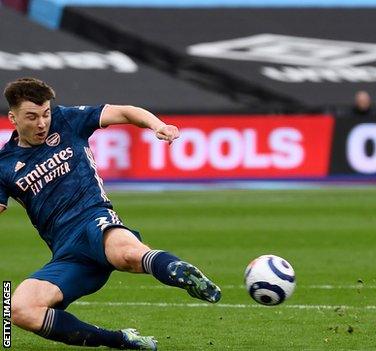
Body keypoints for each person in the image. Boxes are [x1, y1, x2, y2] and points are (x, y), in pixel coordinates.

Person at [0, 77, 222, 350]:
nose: (42, 123)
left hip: (95, 221)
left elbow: (126, 112)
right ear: (13, 117)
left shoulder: (67, 120)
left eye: (45, 113)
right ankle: (121, 340)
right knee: (18, 309)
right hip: (68, 254)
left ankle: (181, 273)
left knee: (126, 254)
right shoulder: (5, 165)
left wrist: (159, 126)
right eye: (31, 117)